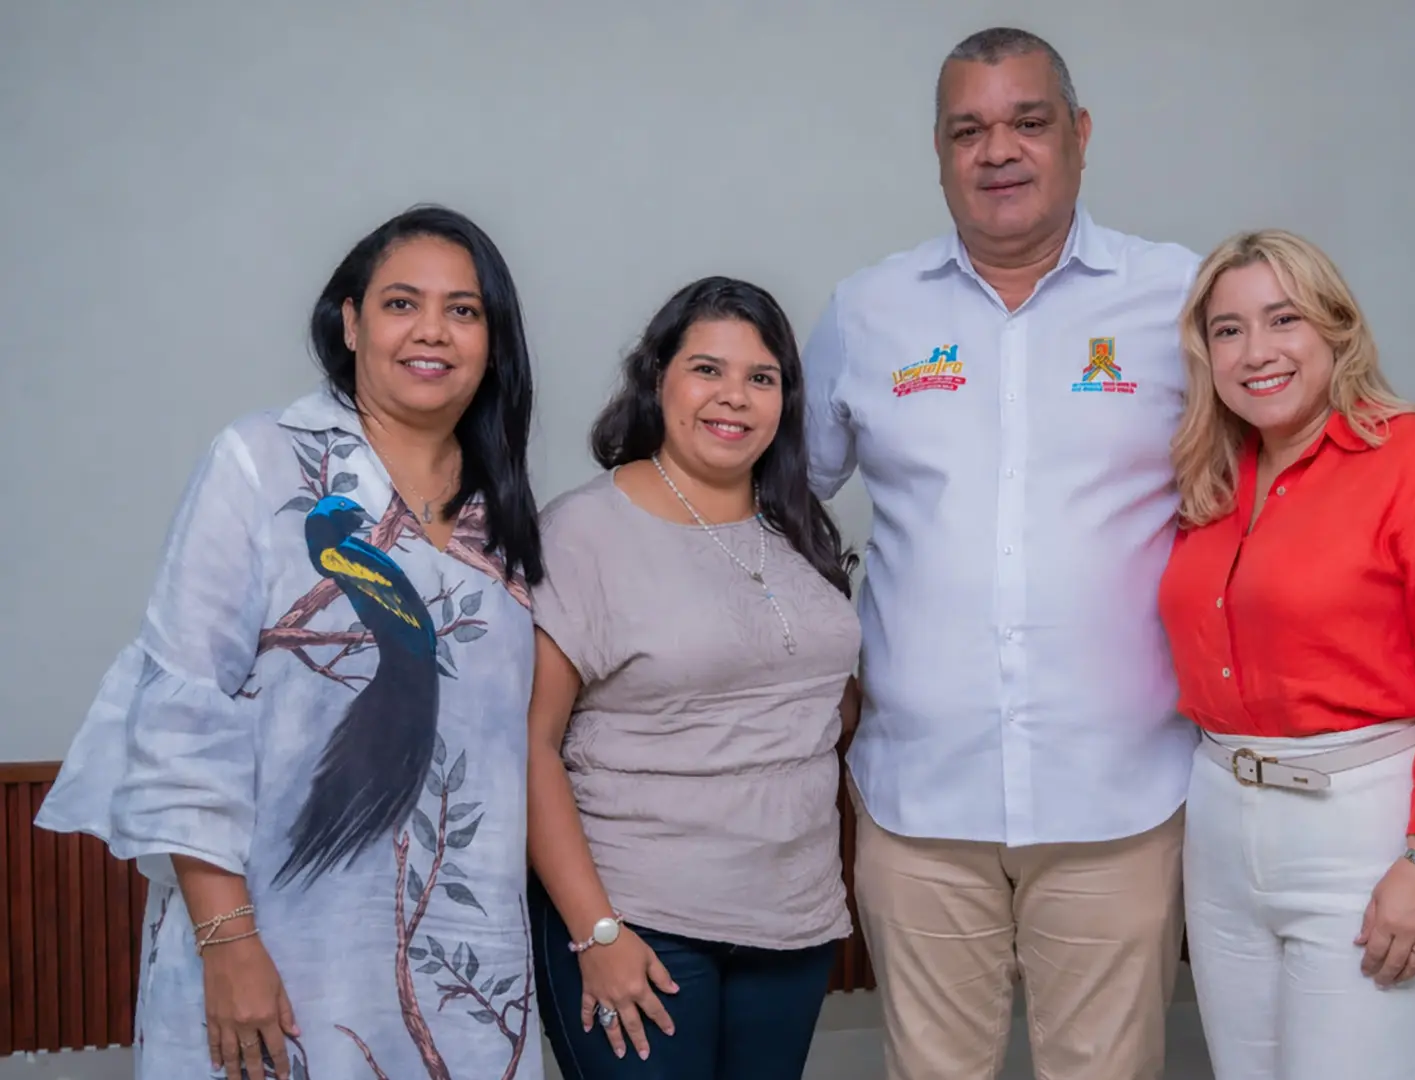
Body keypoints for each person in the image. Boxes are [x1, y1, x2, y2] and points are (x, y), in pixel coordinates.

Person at [33, 205, 548, 1079]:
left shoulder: (504, 517)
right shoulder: (262, 465)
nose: (433, 331)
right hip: (274, 941)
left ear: (493, 341)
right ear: (349, 322)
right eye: (400, 304)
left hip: (460, 959)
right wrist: (228, 942)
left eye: (464, 310)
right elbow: (180, 716)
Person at [801, 26, 1200, 1080]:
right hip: (919, 799)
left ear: (1077, 134)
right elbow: (779, 500)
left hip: (1120, 793)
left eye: (1027, 122)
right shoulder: (868, 311)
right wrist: (806, 670)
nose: (998, 151)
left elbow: (1269, 489)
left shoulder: (1181, 300)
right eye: (967, 130)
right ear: (938, 152)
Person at [1155, 228, 1415, 1079]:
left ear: (1335, 326)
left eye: (1282, 319)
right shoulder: (1211, 478)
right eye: (1228, 330)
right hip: (1223, 827)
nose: (1257, 352)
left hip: (1373, 828)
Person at [526, 276, 862, 1080]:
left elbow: (819, 700)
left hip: (793, 922)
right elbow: (528, 745)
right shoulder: (584, 531)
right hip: (639, 918)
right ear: (657, 379)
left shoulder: (796, 526)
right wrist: (595, 933)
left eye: (761, 378)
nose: (735, 398)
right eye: (707, 369)